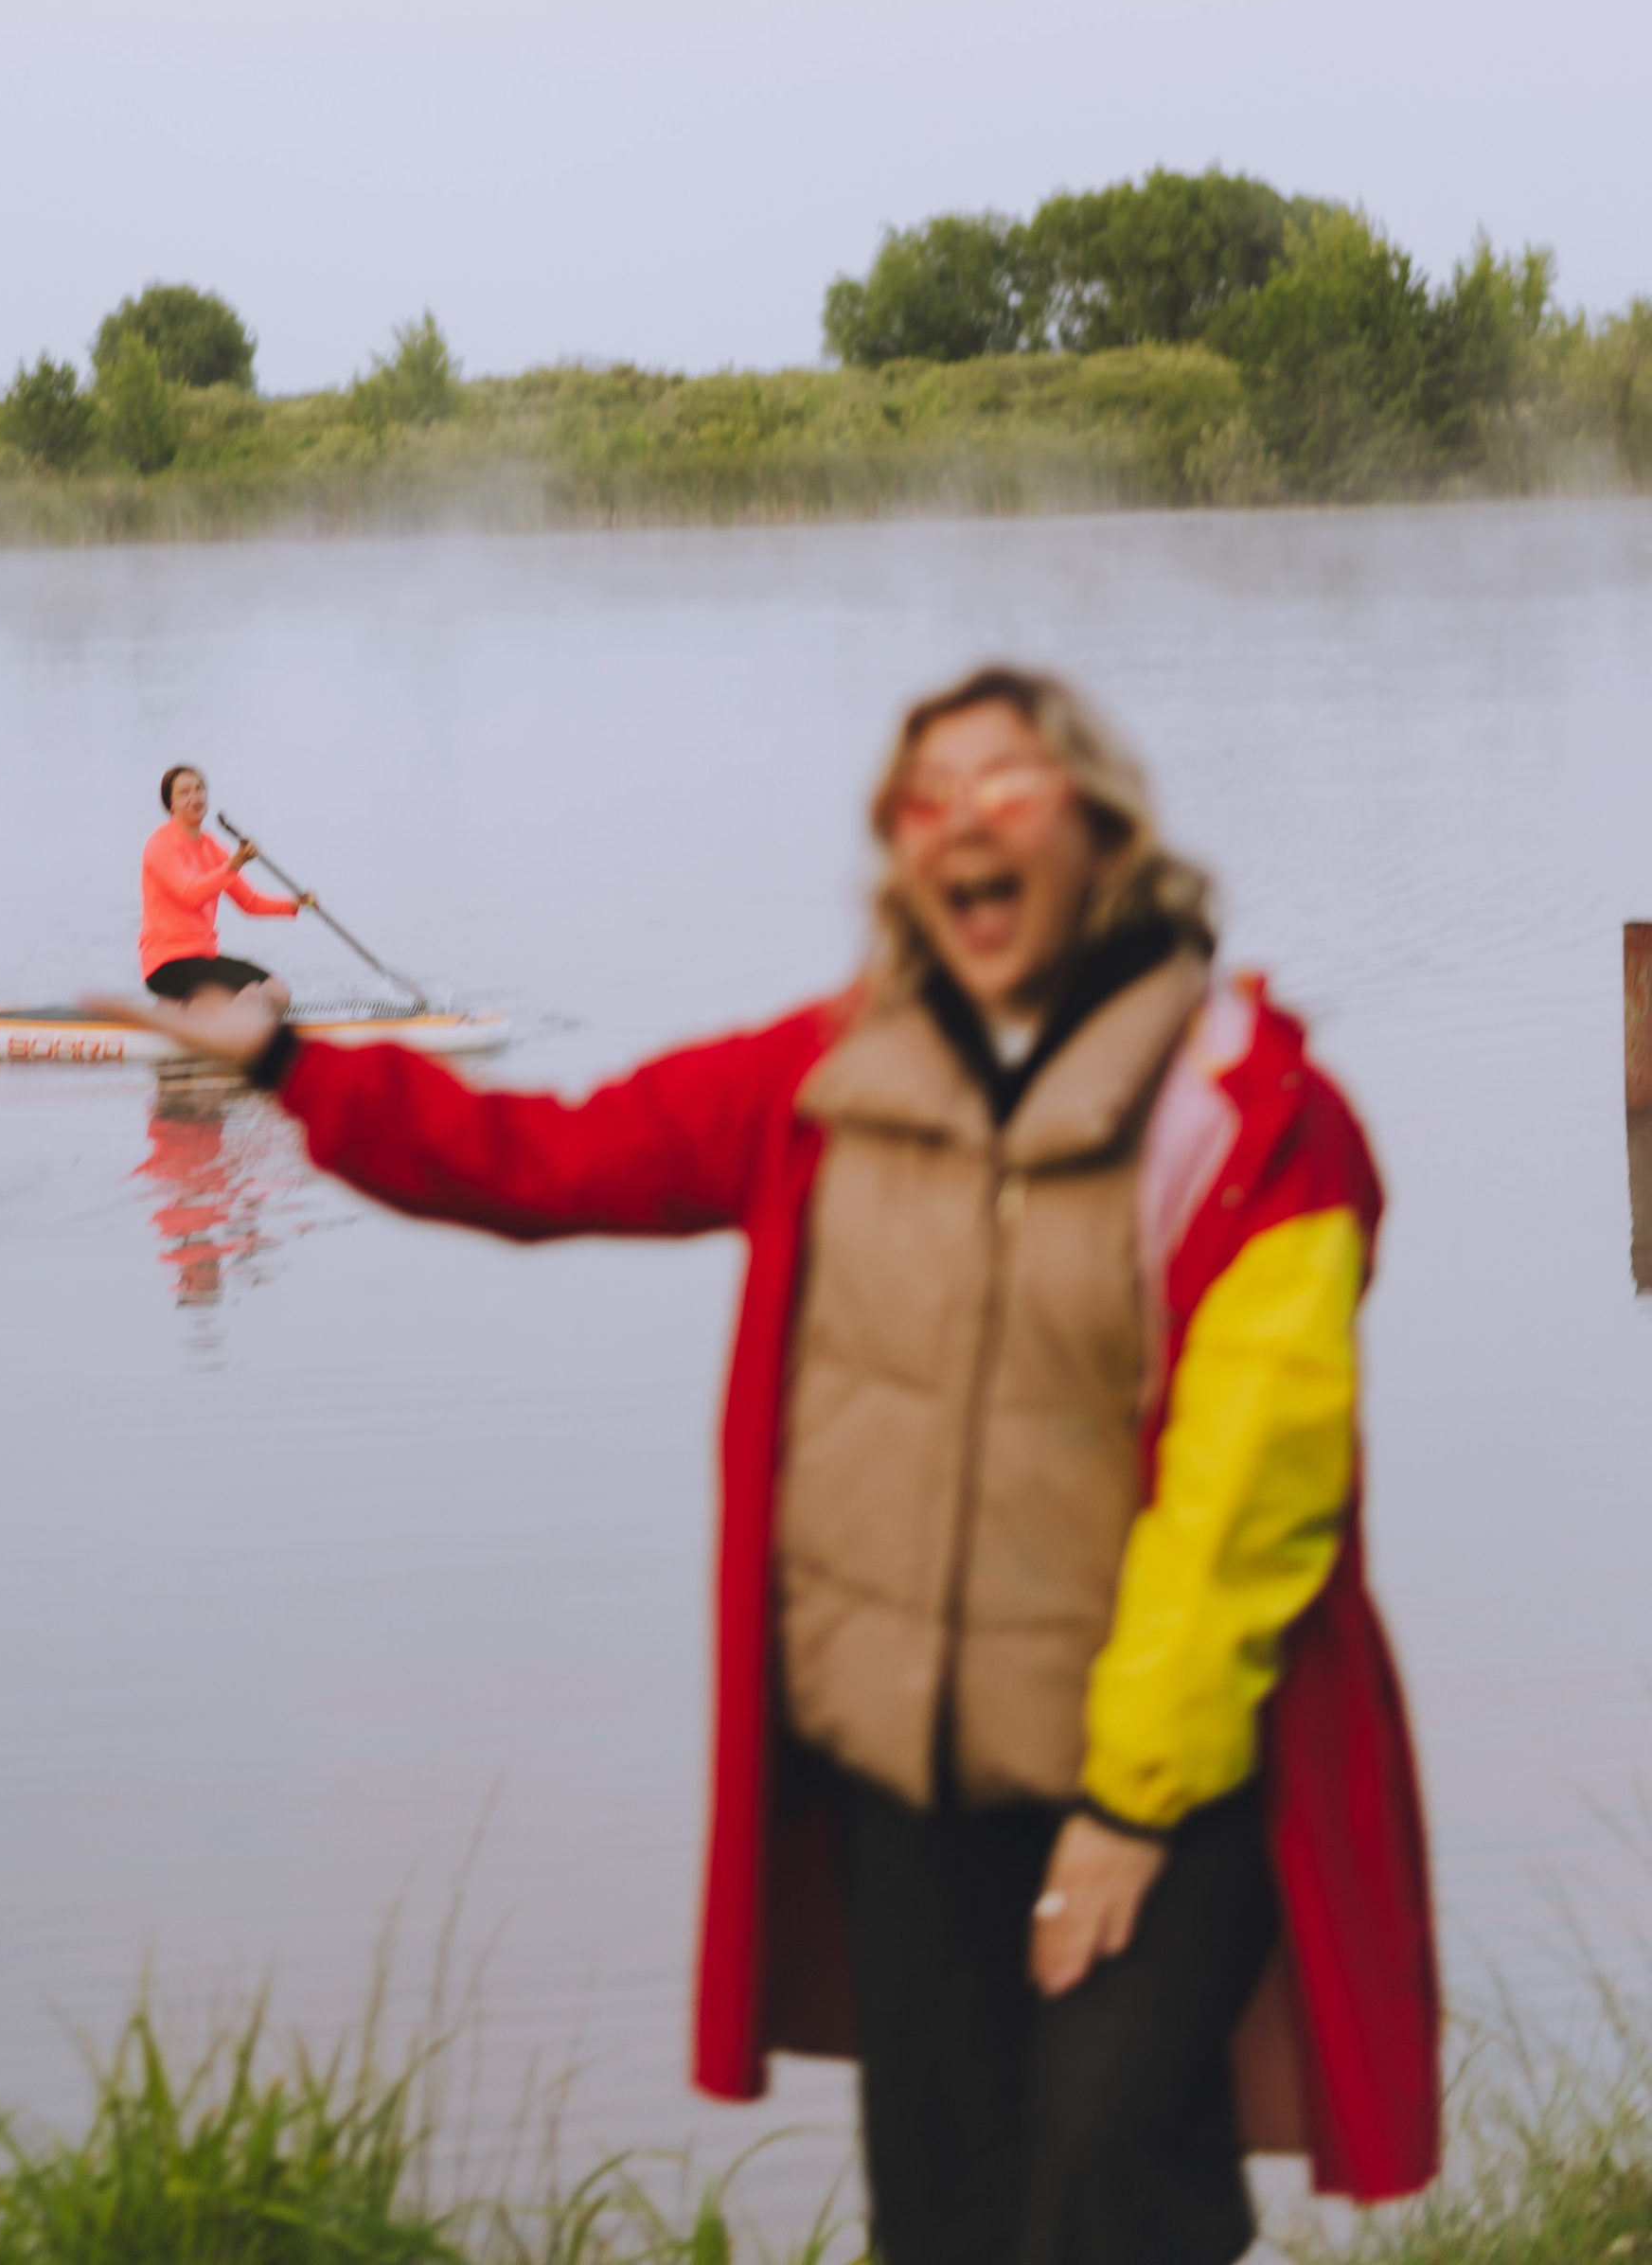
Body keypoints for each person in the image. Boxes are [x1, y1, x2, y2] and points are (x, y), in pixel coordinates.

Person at [100, 665, 1441, 2265]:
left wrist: (1133, 1805)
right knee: (946, 2215)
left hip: (1170, 1774)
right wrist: (297, 1068)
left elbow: (1248, 1503)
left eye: (1004, 784)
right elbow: (546, 1158)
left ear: (1100, 821)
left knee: (1111, 2179)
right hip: (907, 1778)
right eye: (924, 801)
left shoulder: (1255, 1122)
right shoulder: (827, 1079)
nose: (963, 823)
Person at [138, 764, 312, 1001]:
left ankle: (190, 1017)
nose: (195, 797)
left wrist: (295, 903)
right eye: (184, 793)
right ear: (171, 805)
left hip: (205, 956)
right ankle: (206, 1026)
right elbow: (191, 894)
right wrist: (233, 865)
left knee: (277, 994)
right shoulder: (160, 845)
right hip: (166, 963)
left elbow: (250, 902)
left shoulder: (213, 848)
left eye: (200, 789)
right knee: (250, 996)